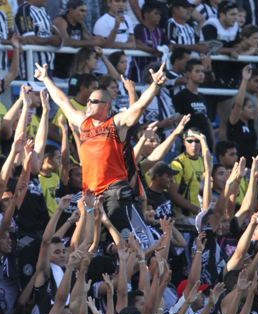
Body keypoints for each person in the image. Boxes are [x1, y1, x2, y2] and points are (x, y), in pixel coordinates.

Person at [35, 59, 166, 237]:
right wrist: (45, 79)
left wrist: (154, 86)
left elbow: (139, 107)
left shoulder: (116, 123)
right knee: (89, 243)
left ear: (105, 106)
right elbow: (63, 101)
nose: (88, 104)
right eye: (88, 100)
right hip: (91, 194)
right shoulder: (84, 123)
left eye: (93, 101)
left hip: (114, 191)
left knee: (123, 240)